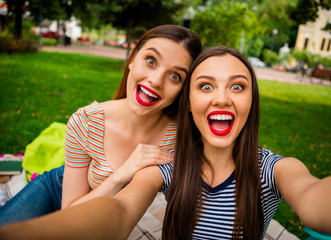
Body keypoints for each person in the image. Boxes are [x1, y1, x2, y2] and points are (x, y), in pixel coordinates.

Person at [1, 46, 331, 240]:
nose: (221, 98)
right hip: (63, 183)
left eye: (237, 86)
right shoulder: (169, 167)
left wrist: (322, 205)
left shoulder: (273, 169)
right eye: (206, 86)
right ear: (189, 103)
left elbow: (313, 196)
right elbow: (120, 211)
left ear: (252, 101)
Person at [0, 24, 202, 225]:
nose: (157, 80)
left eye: (175, 76)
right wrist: (121, 175)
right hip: (57, 189)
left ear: (183, 90)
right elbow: (69, 215)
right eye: (151, 60)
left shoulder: (179, 138)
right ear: (132, 59)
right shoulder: (87, 121)